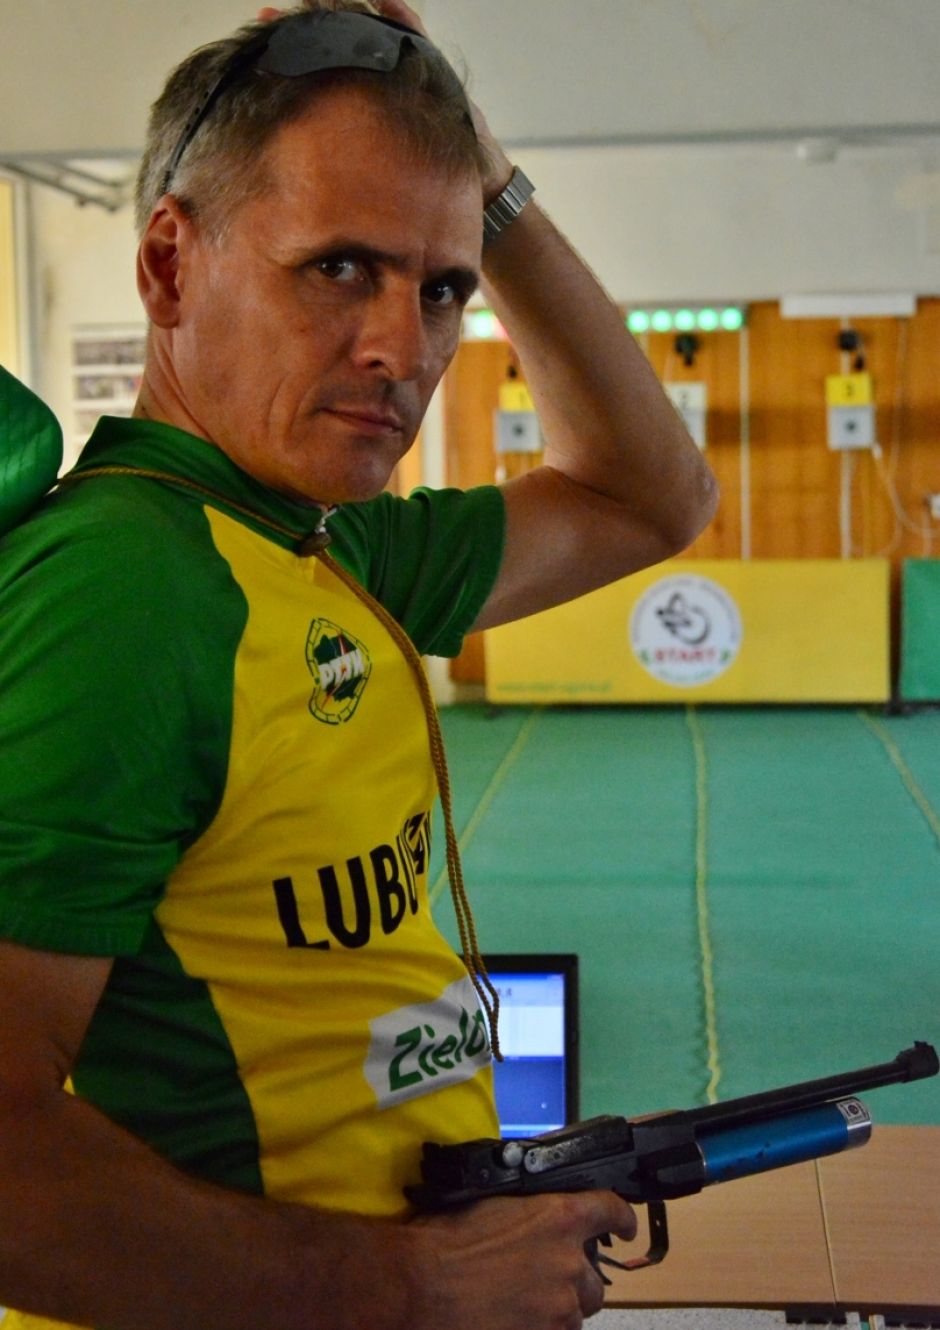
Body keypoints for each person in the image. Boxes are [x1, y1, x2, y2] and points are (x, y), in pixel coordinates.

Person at [0, 2, 717, 1327]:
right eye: (339, 267)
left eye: (442, 288)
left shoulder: (329, 545)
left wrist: (489, 185)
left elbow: (649, 494)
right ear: (169, 268)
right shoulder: (128, 594)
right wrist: (409, 1282)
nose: (405, 350)